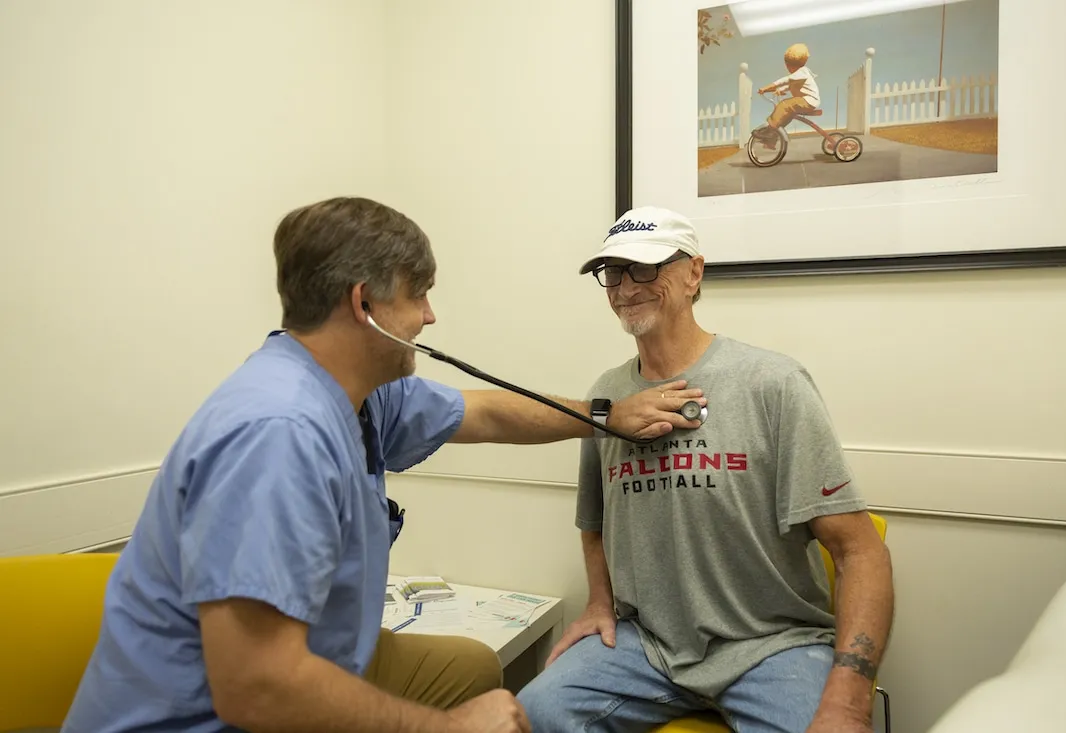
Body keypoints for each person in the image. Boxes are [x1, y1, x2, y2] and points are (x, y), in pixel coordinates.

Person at [60, 197, 707, 733]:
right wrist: (445, 728)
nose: (430, 315)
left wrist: (606, 415)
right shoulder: (277, 433)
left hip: (320, 655)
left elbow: (484, 414)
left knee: (474, 669)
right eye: (419, 296)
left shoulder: (362, 390)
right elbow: (256, 687)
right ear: (365, 304)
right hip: (212, 713)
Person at [515, 206, 895, 733]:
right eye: (614, 272)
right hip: (647, 647)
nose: (626, 287)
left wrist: (851, 697)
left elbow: (860, 550)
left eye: (645, 268)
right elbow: (594, 524)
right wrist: (598, 602)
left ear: (694, 273)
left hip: (771, 645)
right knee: (531, 715)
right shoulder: (606, 397)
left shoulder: (773, 383)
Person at [755, 42, 821, 147]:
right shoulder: (799, 74)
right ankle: (771, 140)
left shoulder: (802, 72)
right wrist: (778, 90)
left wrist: (766, 88)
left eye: (788, 65)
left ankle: (770, 131)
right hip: (806, 101)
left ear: (791, 65)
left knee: (784, 104)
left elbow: (785, 80)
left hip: (808, 101)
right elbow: (789, 85)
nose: (787, 68)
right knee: (785, 116)